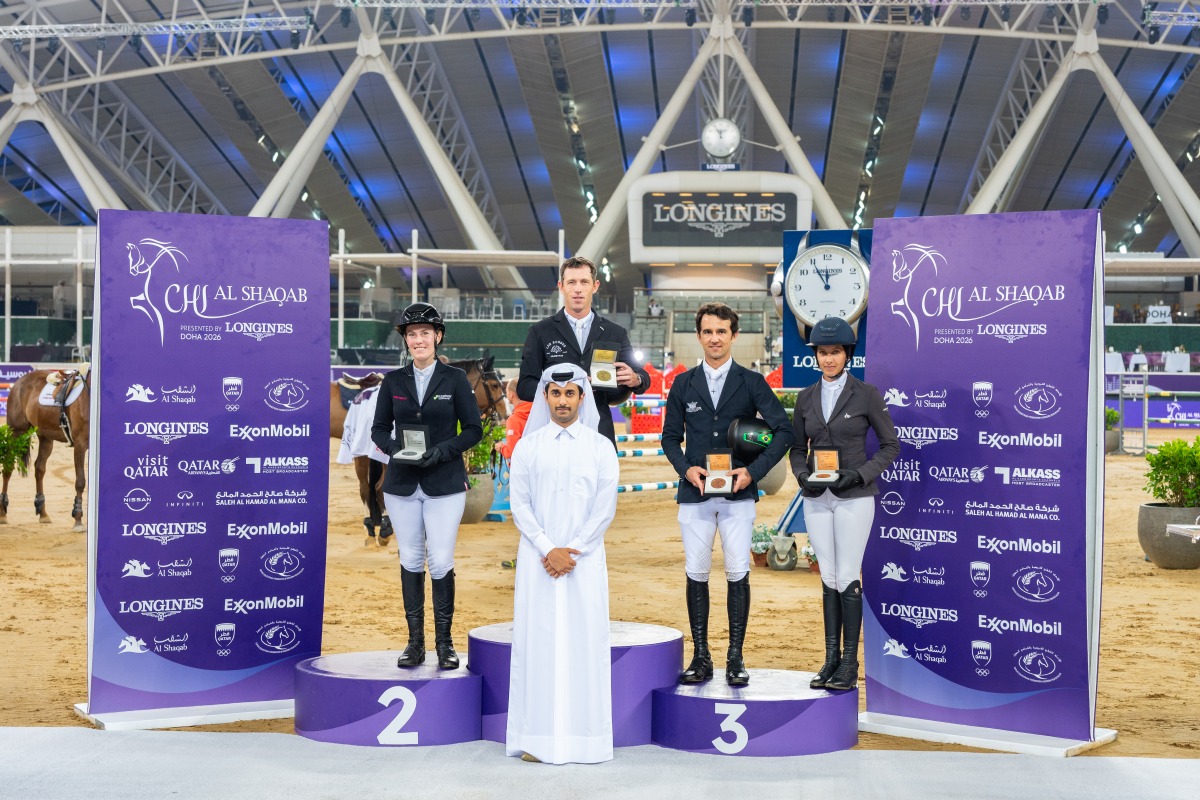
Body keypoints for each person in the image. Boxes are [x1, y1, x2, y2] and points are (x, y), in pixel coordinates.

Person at [662, 302, 794, 686]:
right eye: (708, 331)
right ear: (699, 336)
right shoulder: (683, 383)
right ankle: (701, 656)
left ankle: (735, 657)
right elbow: (670, 437)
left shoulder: (752, 383)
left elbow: (782, 431)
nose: (715, 338)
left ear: (734, 335)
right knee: (696, 572)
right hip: (695, 494)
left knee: (738, 571)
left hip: (738, 495)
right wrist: (686, 468)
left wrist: (751, 471)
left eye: (722, 331)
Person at [506, 364, 618, 764]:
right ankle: (537, 738)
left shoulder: (600, 447)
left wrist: (573, 550)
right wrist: (547, 548)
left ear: (582, 397)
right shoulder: (528, 446)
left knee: (584, 644)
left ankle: (583, 741)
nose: (563, 401)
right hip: (538, 561)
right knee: (538, 645)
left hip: (583, 563)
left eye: (570, 394)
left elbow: (604, 509)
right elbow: (519, 504)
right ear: (545, 398)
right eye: (556, 394)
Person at [789, 317, 900, 692]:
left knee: (849, 575)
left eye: (835, 352)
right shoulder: (805, 397)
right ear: (816, 356)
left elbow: (890, 446)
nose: (829, 359)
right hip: (817, 497)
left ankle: (850, 664)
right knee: (828, 577)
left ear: (846, 354)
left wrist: (860, 474)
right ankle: (831, 659)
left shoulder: (866, 394)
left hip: (854, 497)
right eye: (823, 352)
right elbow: (795, 447)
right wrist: (802, 474)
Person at [371, 302, 483, 670]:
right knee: (410, 559)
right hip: (401, 484)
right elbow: (378, 430)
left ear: (437, 336)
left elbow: (472, 430)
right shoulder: (393, 381)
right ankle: (415, 643)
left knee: (440, 560)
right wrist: (396, 452)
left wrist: (441, 451)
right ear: (405, 340)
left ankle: (445, 644)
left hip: (444, 483)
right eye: (411, 334)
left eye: (424, 333)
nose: (418, 340)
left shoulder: (454, 380)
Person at [517, 256, 650, 446]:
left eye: (584, 282)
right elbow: (524, 386)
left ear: (595, 286)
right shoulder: (540, 332)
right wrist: (561, 387)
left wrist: (635, 379)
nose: (578, 289)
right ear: (561, 286)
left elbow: (643, 377)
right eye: (571, 282)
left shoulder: (615, 333)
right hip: (554, 433)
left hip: (599, 433)